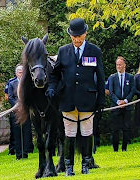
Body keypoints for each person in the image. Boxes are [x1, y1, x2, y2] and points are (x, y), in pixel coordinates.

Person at [46, 18, 105, 176]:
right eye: (74, 37)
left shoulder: (95, 51)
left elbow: (100, 77)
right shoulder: (63, 51)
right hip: (68, 99)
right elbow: (55, 75)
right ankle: (69, 166)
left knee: (87, 132)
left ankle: (86, 164)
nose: (77, 39)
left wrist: (101, 101)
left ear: (85, 33)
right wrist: (52, 88)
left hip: (87, 99)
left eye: (79, 36)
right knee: (69, 133)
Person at [108, 56, 134, 152]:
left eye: (120, 64)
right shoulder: (112, 77)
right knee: (115, 129)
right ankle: (115, 149)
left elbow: (133, 90)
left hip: (127, 107)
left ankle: (124, 148)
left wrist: (126, 101)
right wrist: (118, 101)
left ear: (124, 65)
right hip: (115, 107)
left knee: (126, 128)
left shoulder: (130, 77)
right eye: (117, 65)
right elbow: (110, 92)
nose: (119, 66)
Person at [8, 65, 33, 160]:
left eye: (23, 72)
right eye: (19, 72)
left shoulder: (28, 84)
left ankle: (25, 153)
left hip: (26, 111)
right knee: (17, 133)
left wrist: (25, 105)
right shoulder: (12, 83)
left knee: (26, 132)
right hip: (16, 111)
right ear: (16, 73)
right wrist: (18, 106)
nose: (21, 74)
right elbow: (10, 97)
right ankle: (18, 154)